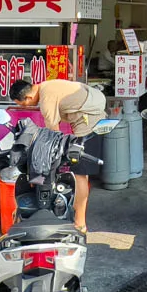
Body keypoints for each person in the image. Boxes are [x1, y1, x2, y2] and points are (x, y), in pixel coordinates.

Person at [10, 78, 107, 234]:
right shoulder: (47, 86)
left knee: (81, 173)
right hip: (92, 109)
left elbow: (52, 136)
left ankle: (80, 223)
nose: (25, 107)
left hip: (89, 119)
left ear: (28, 97)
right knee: (77, 169)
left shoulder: (46, 99)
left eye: (23, 105)